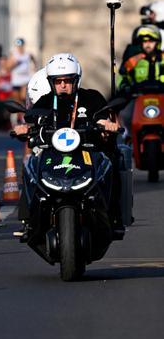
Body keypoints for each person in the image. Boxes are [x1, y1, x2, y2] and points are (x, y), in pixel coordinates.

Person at [15, 53, 122, 230]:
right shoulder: (45, 101)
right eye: (58, 81)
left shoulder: (92, 97)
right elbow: (31, 122)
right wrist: (24, 129)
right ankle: (29, 221)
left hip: (87, 152)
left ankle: (113, 216)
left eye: (67, 80)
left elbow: (103, 117)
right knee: (30, 165)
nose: (63, 85)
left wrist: (106, 125)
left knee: (110, 163)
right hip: (53, 153)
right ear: (51, 82)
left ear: (76, 80)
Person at [119, 24, 164, 131]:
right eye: (145, 41)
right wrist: (125, 86)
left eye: (151, 41)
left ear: (157, 43)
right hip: (138, 98)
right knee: (125, 115)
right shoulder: (133, 60)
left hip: (161, 98)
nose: (148, 44)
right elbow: (122, 77)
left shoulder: (162, 59)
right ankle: (129, 140)